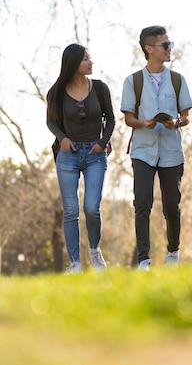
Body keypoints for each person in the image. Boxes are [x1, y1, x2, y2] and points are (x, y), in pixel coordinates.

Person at [121, 25, 192, 270]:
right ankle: (144, 259)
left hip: (172, 151)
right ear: (149, 49)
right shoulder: (133, 81)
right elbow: (128, 117)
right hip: (143, 150)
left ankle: (173, 252)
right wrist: (144, 123)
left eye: (169, 44)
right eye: (165, 45)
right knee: (142, 203)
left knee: (172, 206)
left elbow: (187, 115)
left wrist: (177, 122)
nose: (169, 49)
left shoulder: (177, 80)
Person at [46, 43, 115, 274]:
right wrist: (62, 138)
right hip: (68, 155)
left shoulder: (100, 88)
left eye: (90, 57)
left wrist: (102, 143)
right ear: (74, 63)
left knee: (92, 208)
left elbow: (111, 120)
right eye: (86, 58)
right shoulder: (56, 92)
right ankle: (75, 263)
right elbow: (51, 122)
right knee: (71, 210)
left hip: (95, 155)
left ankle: (94, 251)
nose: (91, 61)